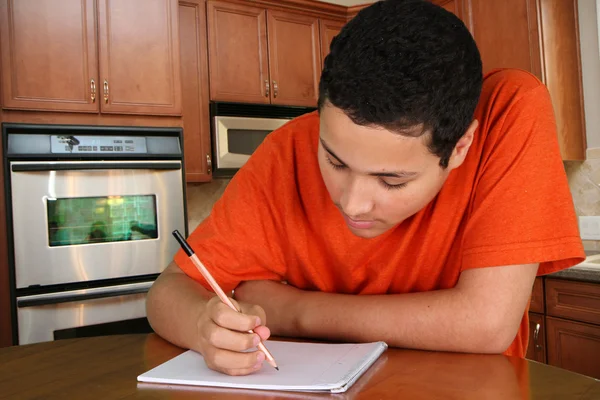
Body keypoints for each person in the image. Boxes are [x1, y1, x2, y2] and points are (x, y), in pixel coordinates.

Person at [146, 0, 584, 376]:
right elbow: (167, 294)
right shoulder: (287, 150)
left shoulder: (509, 110)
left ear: (460, 147)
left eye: (392, 180)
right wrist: (205, 326)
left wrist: (294, 311)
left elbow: (487, 324)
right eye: (334, 160)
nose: (351, 202)